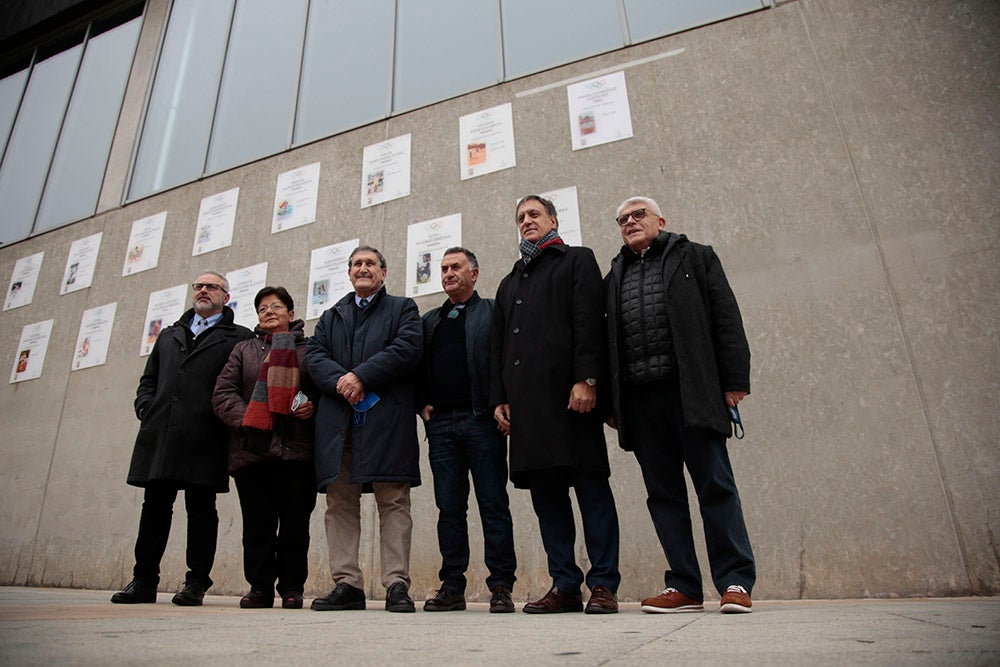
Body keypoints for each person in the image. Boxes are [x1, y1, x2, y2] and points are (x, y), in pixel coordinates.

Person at [604, 196, 756, 614]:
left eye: (639, 215)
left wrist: (733, 381)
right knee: (663, 495)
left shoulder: (696, 256)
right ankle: (684, 585)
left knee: (715, 487)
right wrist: (611, 404)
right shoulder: (614, 274)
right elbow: (607, 343)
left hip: (693, 392)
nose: (631, 222)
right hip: (640, 401)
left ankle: (736, 581)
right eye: (623, 219)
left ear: (660, 220)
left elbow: (726, 316)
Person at [491, 195, 621, 615]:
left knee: (592, 492)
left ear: (552, 219)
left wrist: (587, 380)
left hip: (572, 403)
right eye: (520, 218)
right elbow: (499, 348)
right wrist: (500, 400)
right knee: (547, 500)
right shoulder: (510, 281)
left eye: (534, 214)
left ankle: (603, 584)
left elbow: (590, 323)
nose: (526, 221)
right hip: (527, 412)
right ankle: (565, 584)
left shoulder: (576, 260)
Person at [112, 272, 253, 605]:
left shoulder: (238, 337)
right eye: (198, 286)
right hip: (161, 433)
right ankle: (143, 580)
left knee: (202, 509)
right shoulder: (169, 334)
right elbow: (149, 380)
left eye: (212, 287)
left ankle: (196, 583)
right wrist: (146, 407)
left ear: (226, 297)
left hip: (206, 435)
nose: (203, 290)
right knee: (155, 508)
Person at [306, 246, 423, 613]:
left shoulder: (404, 309)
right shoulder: (330, 316)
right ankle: (348, 584)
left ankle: (396, 584)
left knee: (393, 501)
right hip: (339, 425)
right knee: (339, 502)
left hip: (386, 422)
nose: (363, 268)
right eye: (357, 263)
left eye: (370, 263)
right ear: (349, 273)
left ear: (383, 273)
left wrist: (361, 376)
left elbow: (406, 349)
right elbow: (313, 356)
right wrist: (343, 380)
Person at [419, 247, 517, 614]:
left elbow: (506, 361)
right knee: (449, 509)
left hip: (481, 421)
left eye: (455, 267)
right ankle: (452, 586)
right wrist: (422, 403)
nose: (448, 273)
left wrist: (502, 402)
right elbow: (415, 368)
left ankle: (502, 585)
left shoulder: (492, 312)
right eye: (444, 269)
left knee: (493, 504)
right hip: (441, 425)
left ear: (474, 274)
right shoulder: (430, 320)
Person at [212, 287, 317, 610]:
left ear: (290, 312)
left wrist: (312, 406)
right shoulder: (243, 349)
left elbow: (322, 389)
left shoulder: (310, 349)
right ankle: (259, 587)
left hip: (298, 451)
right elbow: (222, 392)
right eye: (262, 308)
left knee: (295, 526)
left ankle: (292, 588)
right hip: (253, 451)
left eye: (275, 306)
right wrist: (250, 417)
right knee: (257, 525)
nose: (268, 312)